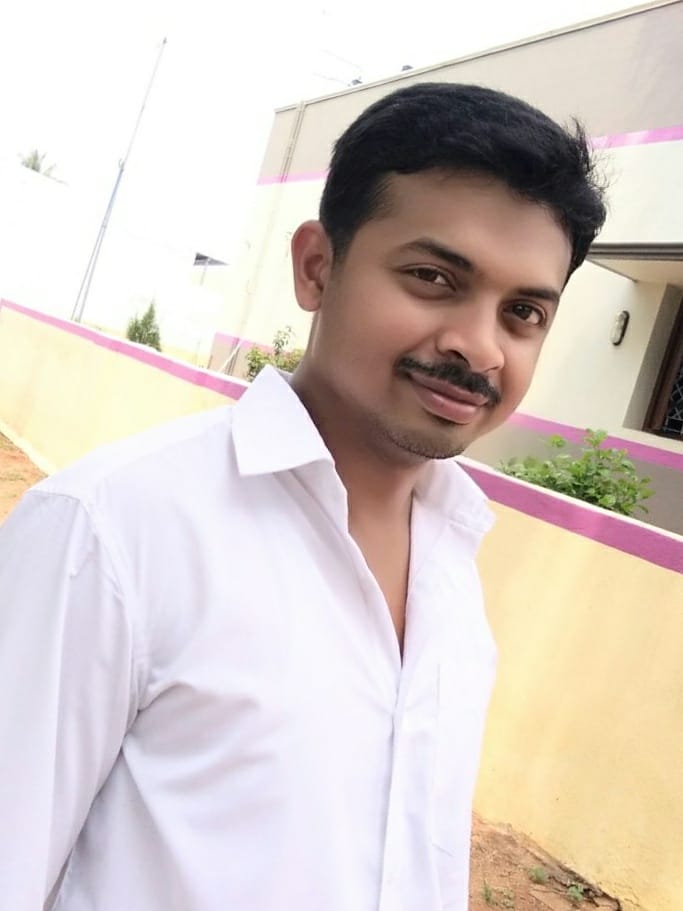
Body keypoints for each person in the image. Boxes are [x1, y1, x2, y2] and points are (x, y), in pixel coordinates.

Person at [0, 82, 606, 911]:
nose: (479, 346)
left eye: (523, 312)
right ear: (317, 266)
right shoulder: (110, 531)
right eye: (432, 277)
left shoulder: (453, 570)